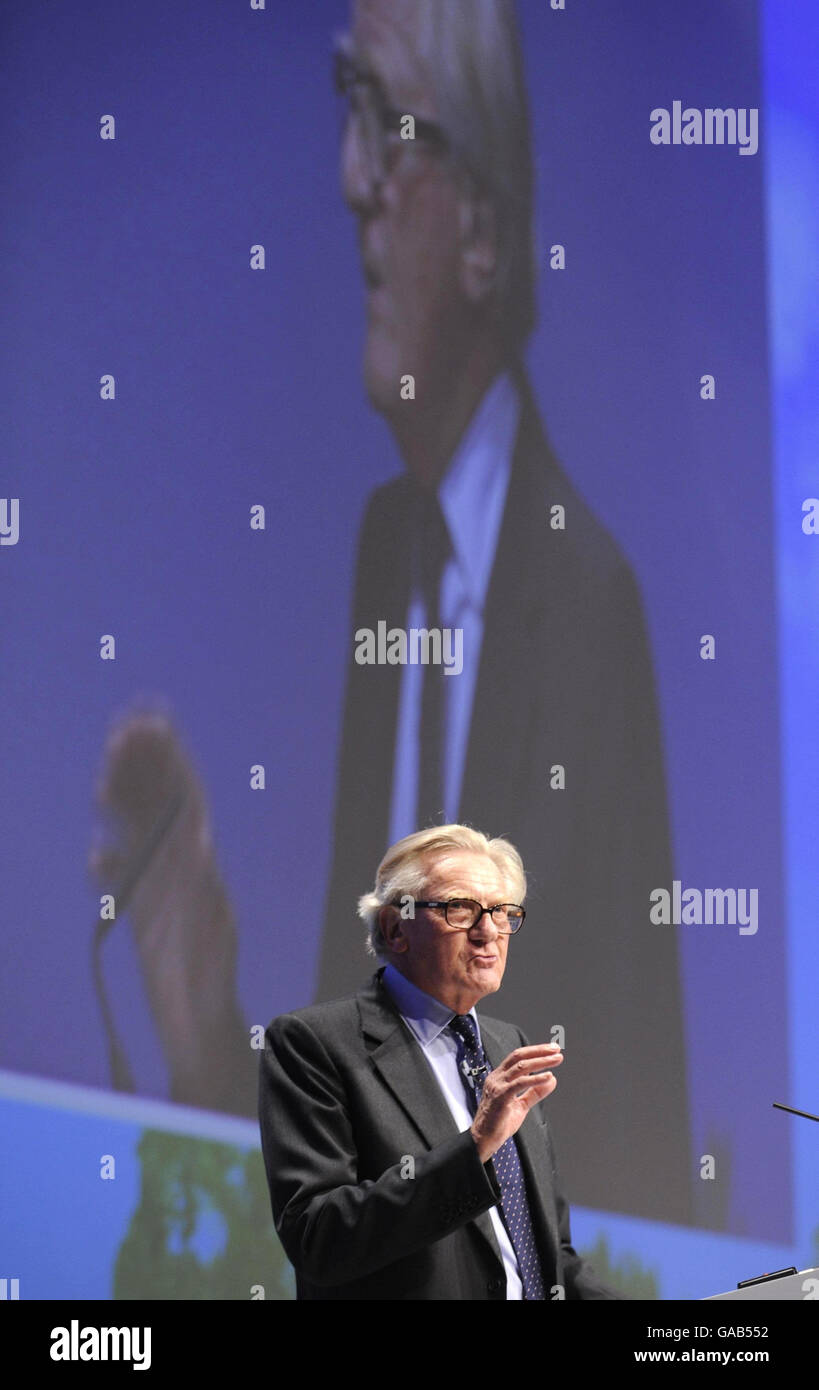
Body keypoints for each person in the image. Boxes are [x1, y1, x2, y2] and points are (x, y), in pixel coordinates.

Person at [316, 0, 692, 1223]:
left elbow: (636, 1085)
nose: (350, 181)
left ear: (482, 227)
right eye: (345, 112)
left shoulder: (590, 602)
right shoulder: (388, 549)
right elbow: (361, 1025)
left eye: (388, 124)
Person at [259, 825, 624, 1300]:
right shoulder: (315, 1044)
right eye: (460, 909)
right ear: (395, 928)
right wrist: (474, 1147)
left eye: (502, 912)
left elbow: (547, 1253)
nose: (488, 931)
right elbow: (319, 1238)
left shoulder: (507, 1045)